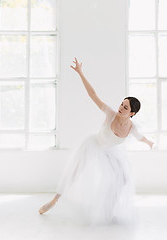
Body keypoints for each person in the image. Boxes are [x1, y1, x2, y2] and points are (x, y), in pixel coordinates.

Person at [38, 58, 154, 225]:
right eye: (122, 104)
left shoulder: (132, 127)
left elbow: (140, 137)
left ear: (132, 114)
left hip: (110, 152)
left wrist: (149, 143)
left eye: (126, 107)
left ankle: (109, 209)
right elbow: (93, 95)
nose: (121, 107)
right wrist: (80, 73)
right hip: (94, 145)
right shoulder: (110, 114)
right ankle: (55, 200)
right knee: (76, 171)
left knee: (122, 178)